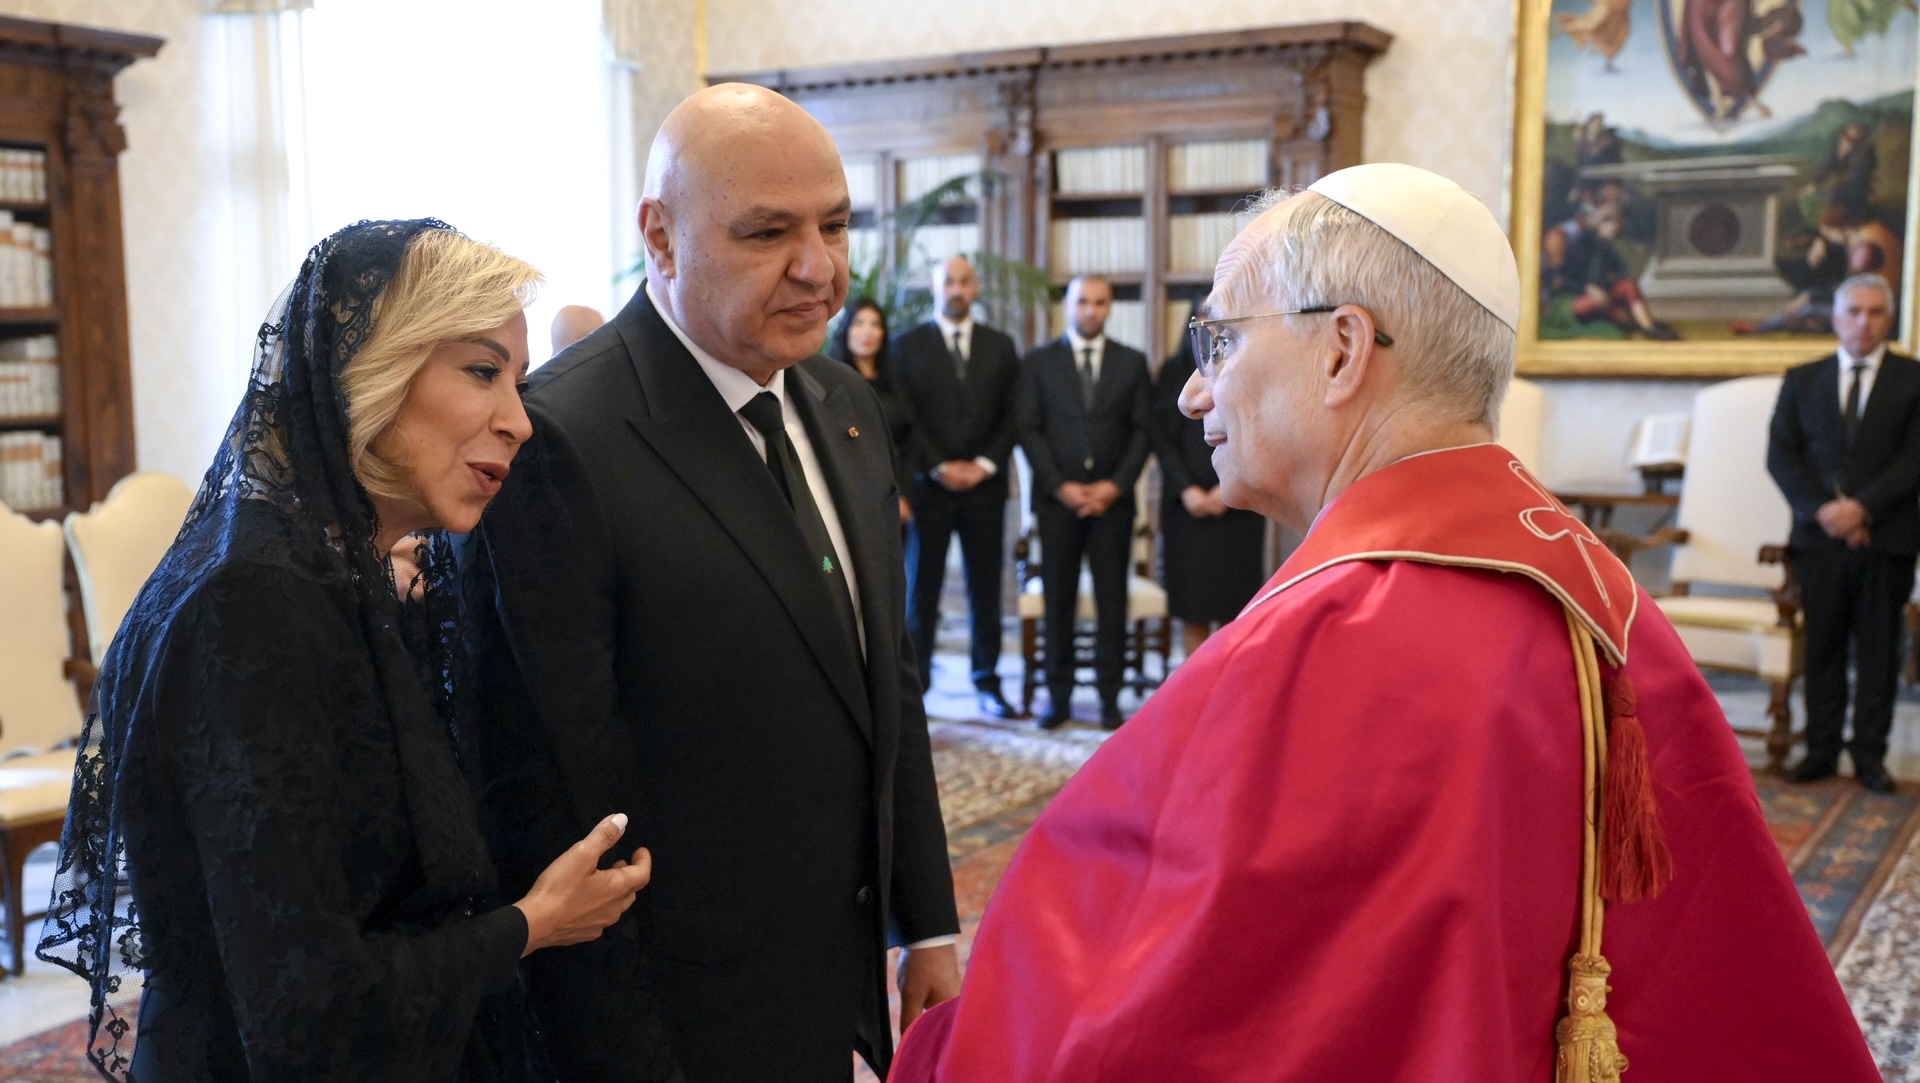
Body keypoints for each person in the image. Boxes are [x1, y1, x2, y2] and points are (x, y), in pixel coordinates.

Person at [893, 163, 1879, 1081]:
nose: (1195, 389)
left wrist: (942, 1051)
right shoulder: (1608, 600)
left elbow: (1146, 1012)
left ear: (1343, 350)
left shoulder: (1327, 634)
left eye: (1219, 340)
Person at [35, 220, 653, 1082]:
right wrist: (532, 922)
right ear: (373, 370)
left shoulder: (333, 575)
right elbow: (306, 1008)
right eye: (482, 371)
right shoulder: (256, 601)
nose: (518, 421)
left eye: (517, 379)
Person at [467, 84, 960, 1083]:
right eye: (768, 231)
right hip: (675, 1007)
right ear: (659, 234)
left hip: (833, 973)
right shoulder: (561, 438)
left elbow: (883, 682)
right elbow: (554, 781)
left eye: (834, 225)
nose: (818, 267)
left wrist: (931, 919)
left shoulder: (842, 400)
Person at [1769, 272, 1920, 793]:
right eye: (1854, 311)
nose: (1864, 321)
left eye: (1875, 312)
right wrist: (1825, 512)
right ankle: (1821, 749)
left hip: (1888, 539)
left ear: (1888, 319)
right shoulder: (1802, 378)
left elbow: (1914, 459)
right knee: (1824, 649)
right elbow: (1782, 455)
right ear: (1835, 317)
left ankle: (1870, 757)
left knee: (1879, 651)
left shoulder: (1913, 379)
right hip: (1819, 539)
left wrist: (1862, 510)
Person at [891, 255, 1024, 718]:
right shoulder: (905, 347)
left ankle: (987, 681)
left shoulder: (1001, 346)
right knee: (920, 590)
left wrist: (985, 464)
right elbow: (905, 419)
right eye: (949, 281)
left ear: (977, 287)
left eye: (965, 281)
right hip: (929, 488)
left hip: (985, 488)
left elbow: (1014, 415)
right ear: (934, 286)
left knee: (986, 586)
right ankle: (917, 684)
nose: (956, 289)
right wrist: (940, 465)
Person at [1016, 275, 1151, 729]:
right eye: (1082, 302)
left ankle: (1110, 697)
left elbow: (1142, 432)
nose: (1090, 310)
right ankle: (1058, 696)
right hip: (1058, 505)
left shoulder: (1131, 363)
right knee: (1059, 601)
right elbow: (1029, 430)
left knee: (1113, 601)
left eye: (1099, 303)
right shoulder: (1039, 362)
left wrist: (1114, 486)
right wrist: (1061, 486)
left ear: (1109, 307)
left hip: (1113, 504)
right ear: (1068, 306)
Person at [1150, 305, 1267, 660]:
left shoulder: (1249, 364)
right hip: (1187, 508)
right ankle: (1196, 693)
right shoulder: (1174, 371)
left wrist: (1227, 487)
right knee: (1192, 606)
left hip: (1239, 502)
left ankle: (1229, 694)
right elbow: (1162, 437)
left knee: (1236, 607)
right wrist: (1187, 489)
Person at [829, 295, 918, 524]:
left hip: (894, 495)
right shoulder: (828, 382)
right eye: (859, 323)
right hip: (846, 497)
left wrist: (902, 494)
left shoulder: (896, 381)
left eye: (875, 324)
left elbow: (910, 441)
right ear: (847, 330)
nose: (867, 332)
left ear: (883, 333)